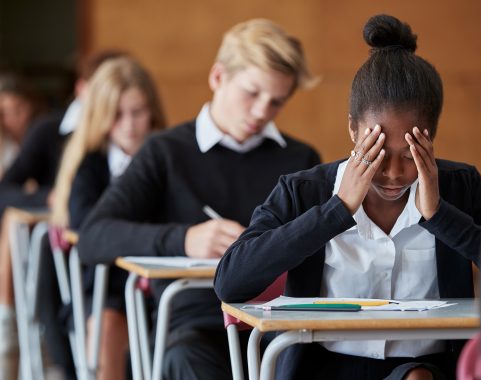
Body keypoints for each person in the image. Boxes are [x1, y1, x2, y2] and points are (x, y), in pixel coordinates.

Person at [214, 14, 481, 380]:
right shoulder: (303, 190)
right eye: (375, 153)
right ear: (351, 129)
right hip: (325, 367)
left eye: (409, 155)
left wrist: (440, 215)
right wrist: (336, 210)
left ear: (431, 138)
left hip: (423, 369)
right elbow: (230, 281)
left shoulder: (461, 186)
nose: (392, 172)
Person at [78, 18, 321, 380]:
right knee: (188, 358)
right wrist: (184, 239)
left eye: (276, 102)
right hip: (197, 323)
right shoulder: (165, 152)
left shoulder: (300, 160)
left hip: (281, 322)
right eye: (252, 93)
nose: (261, 112)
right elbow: (93, 236)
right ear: (218, 77)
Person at [0, 51, 124, 361]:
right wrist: (48, 197)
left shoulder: (135, 141)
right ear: (82, 89)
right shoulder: (49, 131)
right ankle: (9, 317)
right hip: (58, 239)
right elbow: (6, 187)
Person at [49, 56, 166, 379]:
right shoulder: (89, 165)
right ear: (100, 116)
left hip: (160, 282)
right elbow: (89, 229)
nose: (129, 124)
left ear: (152, 111)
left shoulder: (168, 157)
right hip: (102, 289)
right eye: (117, 115)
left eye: (137, 112)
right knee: (109, 321)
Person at [0, 72, 45, 178]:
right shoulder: (5, 143)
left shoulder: (43, 136)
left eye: (18, 110)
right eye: (5, 113)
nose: (12, 119)